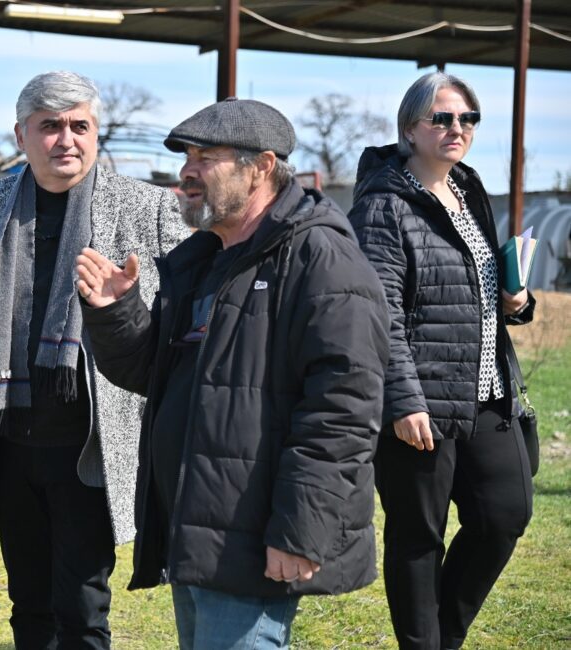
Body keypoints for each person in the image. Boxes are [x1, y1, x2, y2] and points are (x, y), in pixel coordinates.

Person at [75, 98, 390, 649]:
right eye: (186, 158)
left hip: (256, 536)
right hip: (198, 529)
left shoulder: (320, 257)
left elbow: (343, 410)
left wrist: (299, 531)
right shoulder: (207, 260)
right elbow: (155, 375)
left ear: (261, 167)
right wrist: (116, 311)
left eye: (206, 158)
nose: (187, 171)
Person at [0, 71, 187, 648]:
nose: (67, 140)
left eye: (80, 126)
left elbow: (188, 309)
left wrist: (130, 307)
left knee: (83, 607)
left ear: (96, 131)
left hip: (91, 443)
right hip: (7, 437)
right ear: (22, 135)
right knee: (28, 602)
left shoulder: (148, 207)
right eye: (50, 126)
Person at [347, 72, 534, 650]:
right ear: (410, 129)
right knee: (418, 537)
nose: (458, 128)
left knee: (505, 514)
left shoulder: (468, 190)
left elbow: (471, 290)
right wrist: (403, 401)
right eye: (443, 118)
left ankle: (441, 639)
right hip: (421, 403)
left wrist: (517, 302)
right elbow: (378, 313)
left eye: (468, 118)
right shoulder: (382, 205)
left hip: (487, 394)